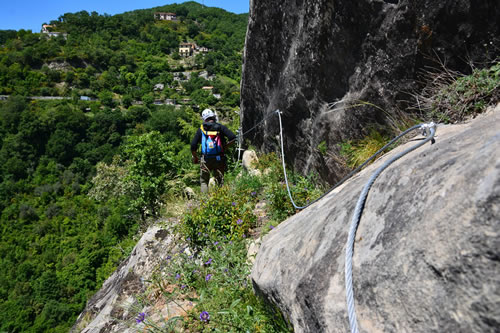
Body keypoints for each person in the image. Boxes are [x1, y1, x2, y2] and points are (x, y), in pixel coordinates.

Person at [191, 109, 236, 193]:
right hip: (219, 158)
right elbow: (233, 138)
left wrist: (195, 157)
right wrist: (224, 147)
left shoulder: (201, 129)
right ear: (213, 117)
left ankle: (204, 202)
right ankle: (221, 199)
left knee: (204, 181)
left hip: (205, 159)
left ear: (204, 118)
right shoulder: (220, 127)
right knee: (220, 180)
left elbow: (193, 145)